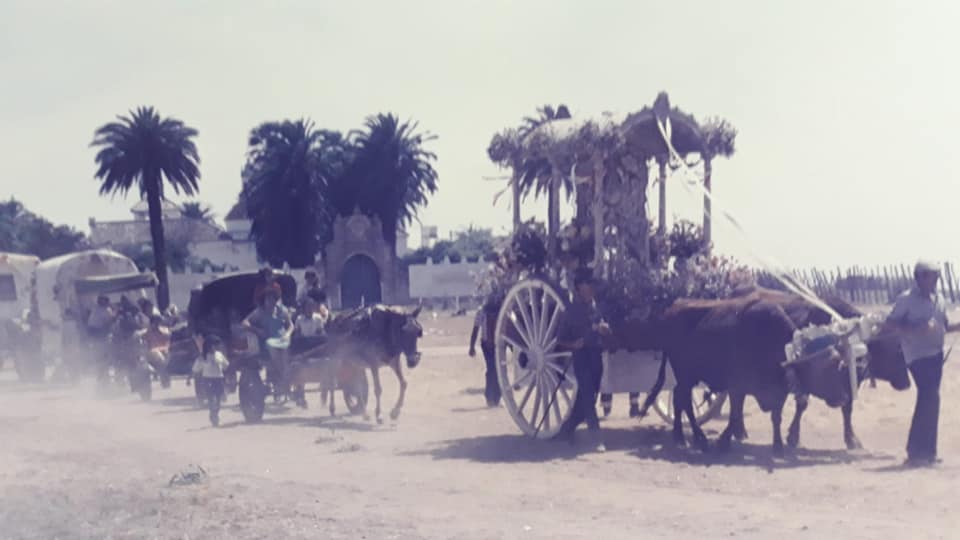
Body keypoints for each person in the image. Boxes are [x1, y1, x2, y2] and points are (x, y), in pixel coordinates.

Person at [885, 260, 960, 467]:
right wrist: (916, 329)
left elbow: (944, 326)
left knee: (931, 400)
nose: (935, 280)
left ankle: (927, 452)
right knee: (929, 396)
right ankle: (916, 451)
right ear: (919, 277)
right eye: (931, 275)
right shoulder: (906, 299)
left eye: (937, 275)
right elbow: (889, 324)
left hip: (936, 355)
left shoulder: (939, 299)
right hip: (917, 356)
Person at [556, 269, 611, 452]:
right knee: (587, 395)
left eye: (592, 285)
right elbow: (560, 340)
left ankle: (567, 429)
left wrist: (604, 328)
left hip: (596, 356)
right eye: (588, 285)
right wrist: (573, 344)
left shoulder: (597, 307)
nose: (592, 289)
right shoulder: (571, 312)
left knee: (589, 397)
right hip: (581, 357)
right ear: (579, 288)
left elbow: (607, 327)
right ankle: (596, 438)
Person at [243, 287, 294, 403]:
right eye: (268, 299)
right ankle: (281, 374)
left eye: (273, 299)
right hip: (268, 340)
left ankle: (285, 376)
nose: (270, 301)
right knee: (271, 345)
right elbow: (245, 323)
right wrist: (257, 330)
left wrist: (287, 334)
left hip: (283, 338)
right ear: (264, 300)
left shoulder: (282, 310)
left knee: (288, 348)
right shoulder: (259, 312)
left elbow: (291, 325)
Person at [469, 297, 500, 407]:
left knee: (497, 370)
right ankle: (490, 397)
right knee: (492, 369)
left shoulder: (500, 310)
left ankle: (496, 397)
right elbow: (475, 330)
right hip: (486, 345)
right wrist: (472, 347)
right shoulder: (481, 312)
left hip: (498, 345)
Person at [192, 334, 230, 427]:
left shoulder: (219, 355)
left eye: (217, 345)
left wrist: (224, 369)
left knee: (218, 400)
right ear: (208, 346)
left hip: (219, 379)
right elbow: (196, 369)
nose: (215, 347)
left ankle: (215, 414)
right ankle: (213, 416)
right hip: (208, 379)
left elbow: (226, 365)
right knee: (212, 399)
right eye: (214, 345)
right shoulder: (203, 357)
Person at [137, 315, 172, 388]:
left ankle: (165, 381)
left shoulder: (164, 330)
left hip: (164, 351)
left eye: (158, 322)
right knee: (158, 357)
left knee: (164, 359)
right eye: (155, 322)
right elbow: (138, 337)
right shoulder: (145, 332)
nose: (156, 324)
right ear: (151, 323)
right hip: (152, 353)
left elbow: (169, 340)